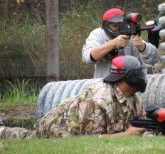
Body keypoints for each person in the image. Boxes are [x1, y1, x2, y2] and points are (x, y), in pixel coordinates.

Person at [0, 55, 148, 139]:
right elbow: (91, 141)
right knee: (29, 138)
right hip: (57, 128)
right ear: (125, 77)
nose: (142, 76)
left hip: (75, 125)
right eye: (138, 73)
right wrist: (127, 134)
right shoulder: (100, 100)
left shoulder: (133, 97)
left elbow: (139, 127)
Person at [82, 7, 160, 78]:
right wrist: (113, 43)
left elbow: (155, 59)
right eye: (114, 26)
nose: (118, 29)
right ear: (105, 26)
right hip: (104, 85)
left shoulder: (129, 35)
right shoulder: (98, 34)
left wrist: (143, 47)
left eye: (121, 25)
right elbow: (88, 57)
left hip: (131, 86)